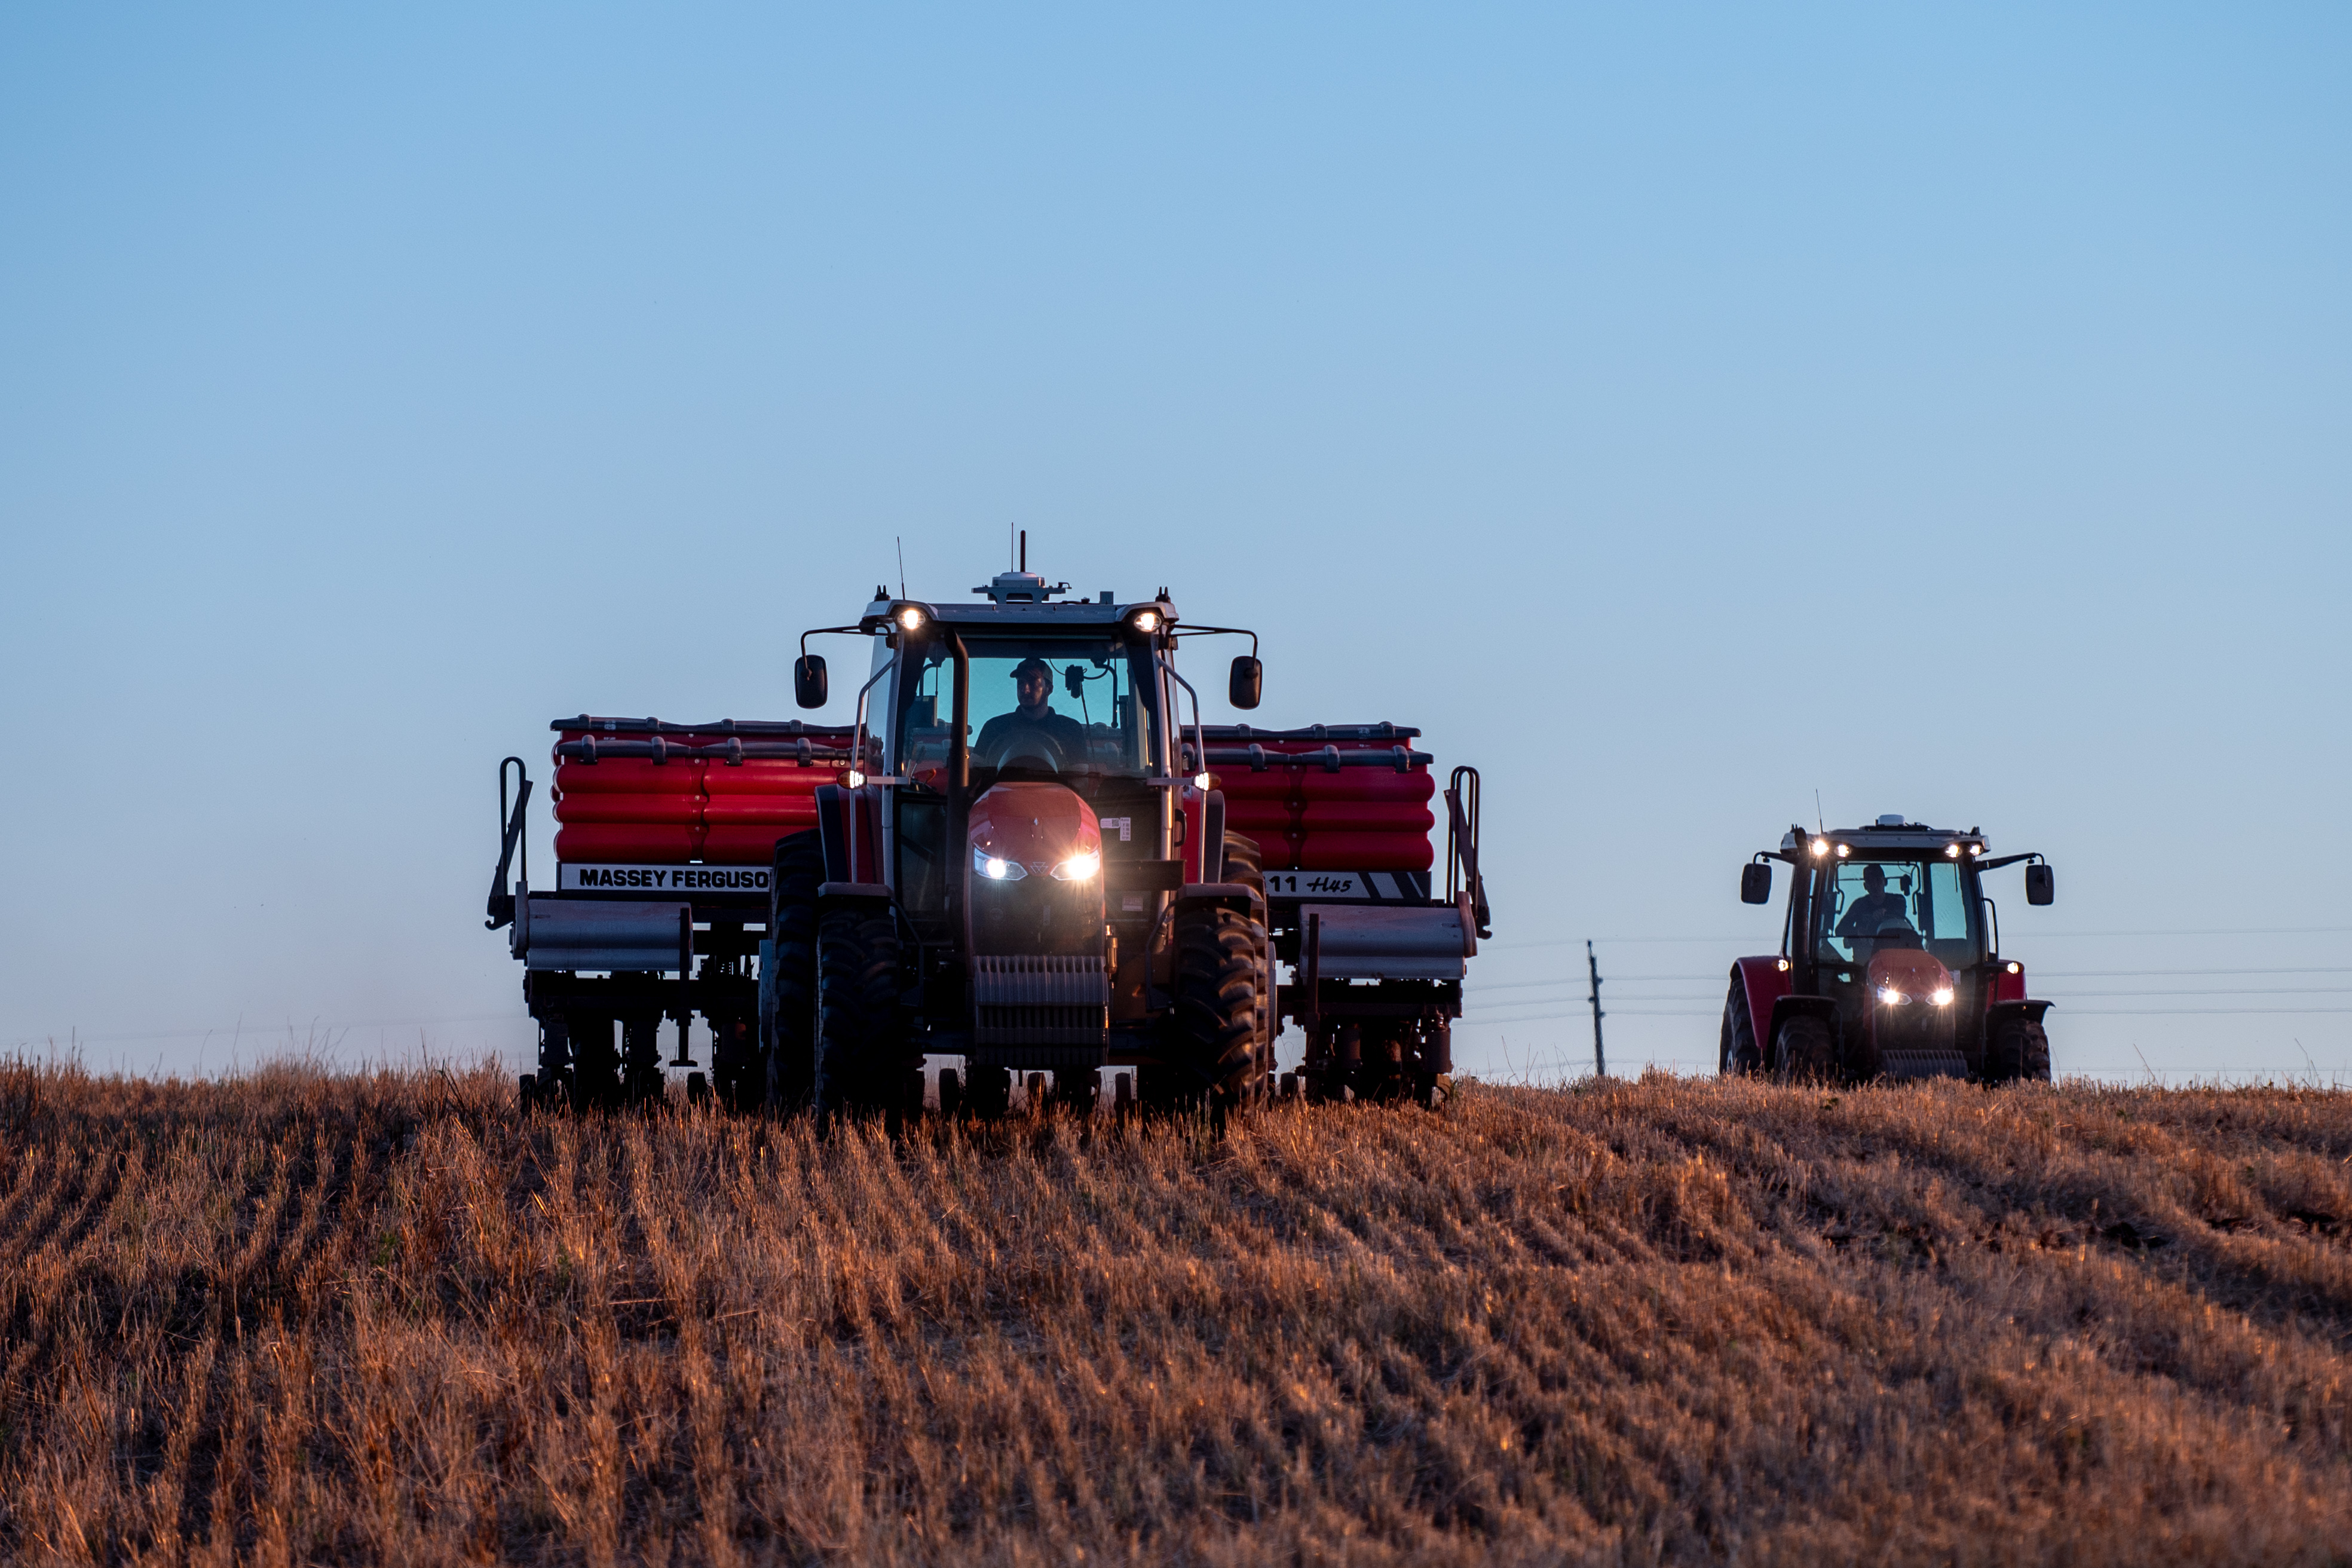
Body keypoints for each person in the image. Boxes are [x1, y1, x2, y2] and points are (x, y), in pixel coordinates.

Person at [974, 657, 1089, 765]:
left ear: (1049, 689)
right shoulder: (994, 728)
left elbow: (1079, 777)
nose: (1025, 690)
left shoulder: (1070, 730)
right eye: (1021, 683)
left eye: (1033, 683)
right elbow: (974, 771)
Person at [1836, 863, 1911, 941]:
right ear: (1865, 886)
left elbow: (1900, 918)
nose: (1875, 885)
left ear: (1885, 882)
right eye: (1870, 882)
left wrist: (1886, 912)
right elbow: (1840, 930)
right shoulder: (1859, 905)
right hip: (1866, 948)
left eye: (1878, 880)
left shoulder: (1898, 901)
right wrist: (1857, 932)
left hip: (1893, 947)